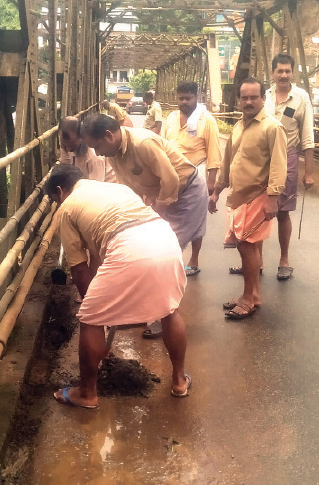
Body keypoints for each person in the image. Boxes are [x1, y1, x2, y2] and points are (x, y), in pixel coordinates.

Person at [47, 164, 192, 409]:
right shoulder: (116, 189)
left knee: (89, 319)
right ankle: (179, 381)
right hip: (164, 239)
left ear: (60, 191)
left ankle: (87, 393)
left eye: (55, 199)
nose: (58, 203)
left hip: (127, 245)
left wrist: (97, 317)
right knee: (170, 309)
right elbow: (99, 258)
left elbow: (80, 270)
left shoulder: (68, 208)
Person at [81, 113, 208, 338]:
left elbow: (170, 179)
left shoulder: (142, 143)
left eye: (97, 146)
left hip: (186, 192)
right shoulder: (113, 153)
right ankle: (145, 311)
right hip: (160, 196)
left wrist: (158, 212)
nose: (97, 153)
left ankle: (165, 314)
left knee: (162, 253)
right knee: (145, 248)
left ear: (109, 135)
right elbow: (128, 189)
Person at [229, 53, 315, 280]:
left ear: (293, 73)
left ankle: (284, 260)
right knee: (256, 210)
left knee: (282, 210)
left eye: (288, 71)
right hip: (262, 157)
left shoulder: (301, 98)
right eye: (280, 71)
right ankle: (255, 262)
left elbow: (307, 135)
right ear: (273, 73)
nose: (284, 75)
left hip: (288, 156)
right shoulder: (263, 96)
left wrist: (309, 172)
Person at [208, 77, 287, 319]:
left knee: (246, 245)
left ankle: (249, 298)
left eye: (254, 97)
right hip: (238, 196)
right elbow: (228, 161)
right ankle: (252, 295)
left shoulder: (272, 128)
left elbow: (279, 165)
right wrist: (217, 190)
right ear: (239, 100)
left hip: (258, 194)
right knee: (245, 247)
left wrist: (273, 198)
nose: (249, 102)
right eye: (245, 97)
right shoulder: (239, 126)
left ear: (263, 98)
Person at [161, 80, 222, 277]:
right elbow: (162, 147)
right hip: (172, 175)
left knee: (197, 218)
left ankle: (194, 259)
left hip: (197, 174)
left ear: (197, 97)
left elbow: (214, 152)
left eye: (188, 98)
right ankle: (173, 255)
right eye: (181, 98)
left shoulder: (207, 120)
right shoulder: (171, 118)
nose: (184, 102)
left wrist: (211, 183)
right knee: (169, 214)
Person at [58, 116, 116, 183]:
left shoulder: (93, 156)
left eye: (71, 145)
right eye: (64, 144)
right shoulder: (67, 144)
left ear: (80, 137)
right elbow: (65, 170)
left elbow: (96, 185)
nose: (68, 149)